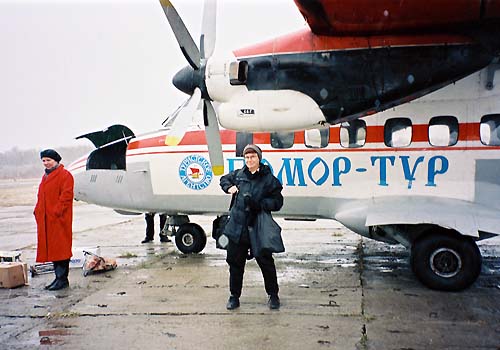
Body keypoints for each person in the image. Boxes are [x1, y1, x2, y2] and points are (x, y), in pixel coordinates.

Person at [220, 144, 284, 310]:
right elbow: (223, 179)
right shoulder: (238, 175)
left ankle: (273, 295)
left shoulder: (268, 179)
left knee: (266, 262)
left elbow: (278, 202)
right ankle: (234, 296)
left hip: (257, 227)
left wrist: (261, 204)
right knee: (235, 263)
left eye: (252, 157)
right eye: (247, 157)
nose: (249, 160)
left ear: (259, 158)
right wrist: (229, 188)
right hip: (237, 227)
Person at [34, 149, 74, 291]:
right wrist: (37, 211)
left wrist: (57, 212)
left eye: (48, 160)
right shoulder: (45, 176)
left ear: (56, 160)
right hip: (46, 219)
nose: (46, 163)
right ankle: (58, 278)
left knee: (61, 249)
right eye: (44, 161)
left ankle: (62, 279)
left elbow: (66, 196)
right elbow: (41, 196)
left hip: (59, 219)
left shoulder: (65, 175)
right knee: (53, 250)